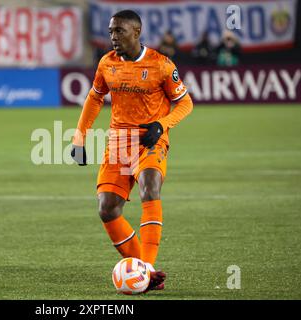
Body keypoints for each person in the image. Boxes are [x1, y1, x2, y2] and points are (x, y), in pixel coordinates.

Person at [70, 10, 193, 292]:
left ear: (136, 33)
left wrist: (162, 125)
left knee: (150, 188)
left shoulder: (161, 64)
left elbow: (185, 103)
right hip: (118, 142)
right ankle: (142, 272)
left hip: (150, 140)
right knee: (107, 209)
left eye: (119, 31)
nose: (113, 37)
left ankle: (147, 269)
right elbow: (95, 98)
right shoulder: (106, 64)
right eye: (111, 31)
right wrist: (79, 138)